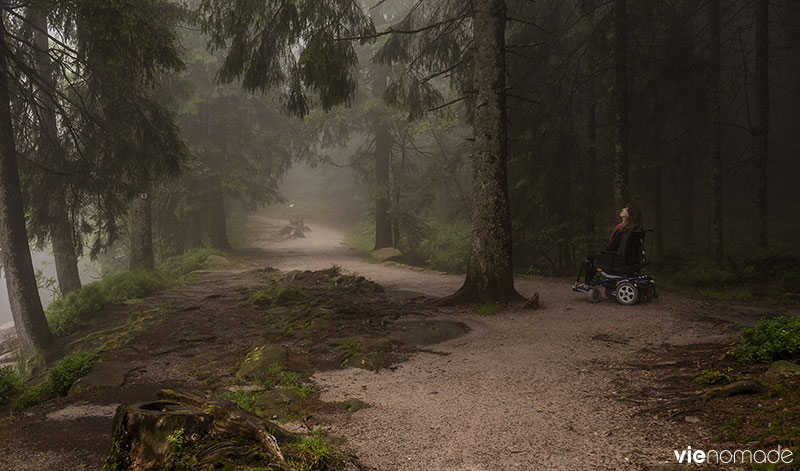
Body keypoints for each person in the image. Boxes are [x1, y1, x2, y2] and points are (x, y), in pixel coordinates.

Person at [573, 203, 642, 291]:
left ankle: (587, 285)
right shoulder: (635, 230)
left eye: (626, 209)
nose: (623, 209)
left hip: (618, 259)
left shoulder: (623, 230)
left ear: (630, 214)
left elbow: (612, 246)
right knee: (596, 256)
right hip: (630, 261)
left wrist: (603, 251)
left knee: (591, 257)